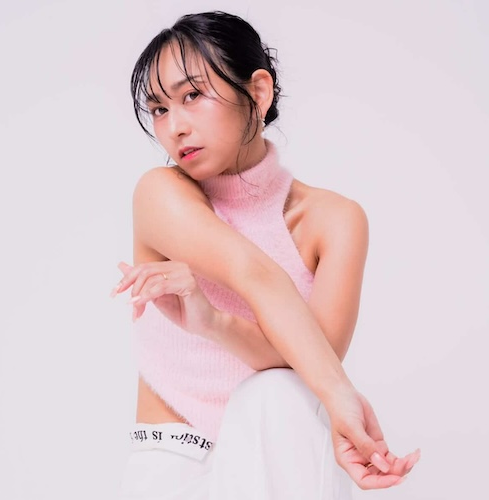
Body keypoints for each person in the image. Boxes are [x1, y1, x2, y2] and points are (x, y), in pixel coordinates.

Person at [112, 10, 420, 499]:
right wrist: (340, 395)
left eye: (192, 95)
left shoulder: (335, 221)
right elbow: (255, 275)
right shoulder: (160, 193)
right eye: (159, 109)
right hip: (174, 464)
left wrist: (214, 322)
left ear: (258, 92)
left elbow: (310, 369)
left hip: (283, 451)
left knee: (281, 392)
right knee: (289, 387)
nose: (175, 127)